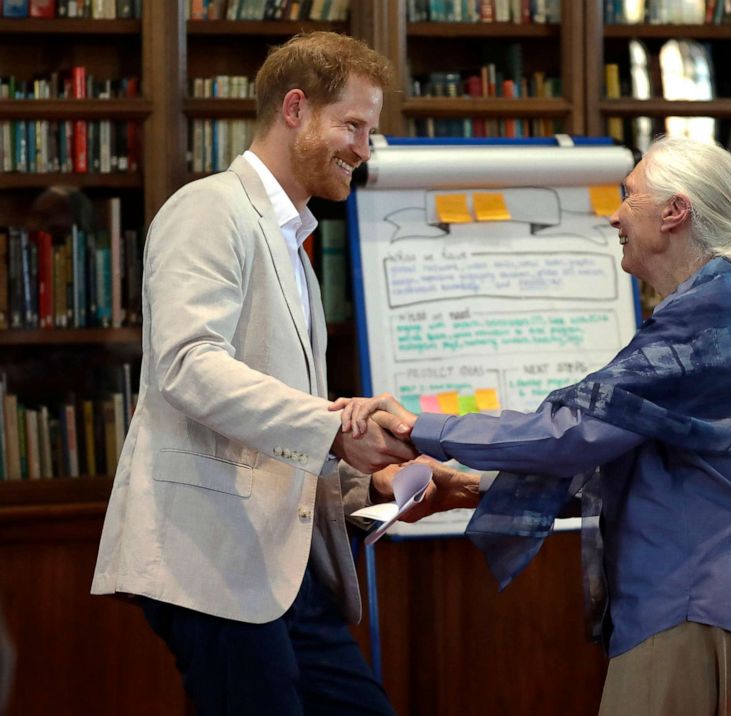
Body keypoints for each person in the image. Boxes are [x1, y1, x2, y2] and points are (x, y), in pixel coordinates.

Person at [334, 136, 731, 716]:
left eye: (628, 195)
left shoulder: (706, 320)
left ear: (674, 212)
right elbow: (629, 461)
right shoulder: (723, 310)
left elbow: (570, 432)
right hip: (711, 598)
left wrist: (418, 426)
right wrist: (467, 488)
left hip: (691, 600)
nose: (613, 214)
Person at [90, 32, 418, 715]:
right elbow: (187, 365)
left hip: (281, 566)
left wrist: (369, 474)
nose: (364, 148)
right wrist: (333, 429)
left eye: (369, 131)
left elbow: (268, 408)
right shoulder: (209, 208)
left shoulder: (291, 238)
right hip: (211, 560)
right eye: (353, 125)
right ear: (295, 108)